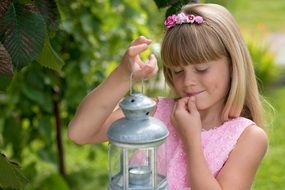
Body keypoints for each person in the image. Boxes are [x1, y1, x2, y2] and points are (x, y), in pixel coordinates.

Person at [68, 3, 268, 190]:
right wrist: (122, 75)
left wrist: (191, 140)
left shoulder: (248, 137)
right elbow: (80, 132)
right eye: (178, 71)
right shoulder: (153, 113)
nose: (188, 81)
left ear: (232, 65)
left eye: (201, 69)